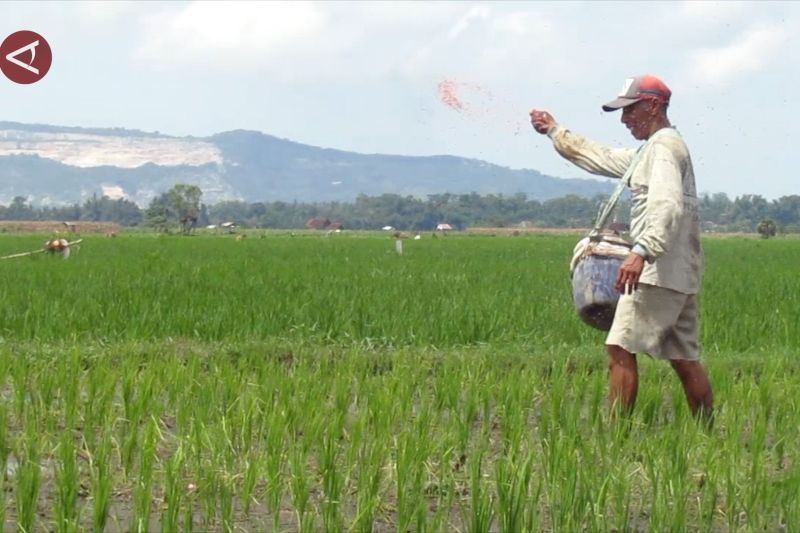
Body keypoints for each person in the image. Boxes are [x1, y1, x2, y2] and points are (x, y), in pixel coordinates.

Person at [530, 74, 714, 422]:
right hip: (680, 271)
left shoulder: (662, 148)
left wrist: (641, 251)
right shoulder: (657, 148)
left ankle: (614, 437)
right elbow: (601, 157)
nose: (624, 119)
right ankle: (707, 435)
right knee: (684, 357)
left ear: (654, 106)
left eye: (630, 110)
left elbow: (666, 204)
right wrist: (556, 132)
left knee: (619, 348)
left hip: (656, 271)